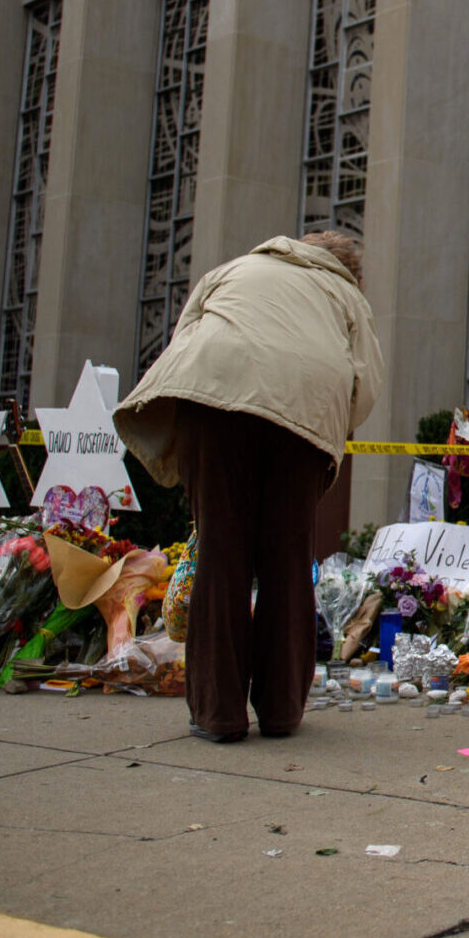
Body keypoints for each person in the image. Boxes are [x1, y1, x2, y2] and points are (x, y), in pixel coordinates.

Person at [115, 231, 382, 742]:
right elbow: (365, 386)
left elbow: (187, 333)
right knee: (287, 559)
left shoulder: (235, 267)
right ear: (351, 271)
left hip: (210, 403)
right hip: (299, 418)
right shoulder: (345, 294)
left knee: (221, 553)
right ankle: (281, 711)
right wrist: (329, 430)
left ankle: (217, 715)